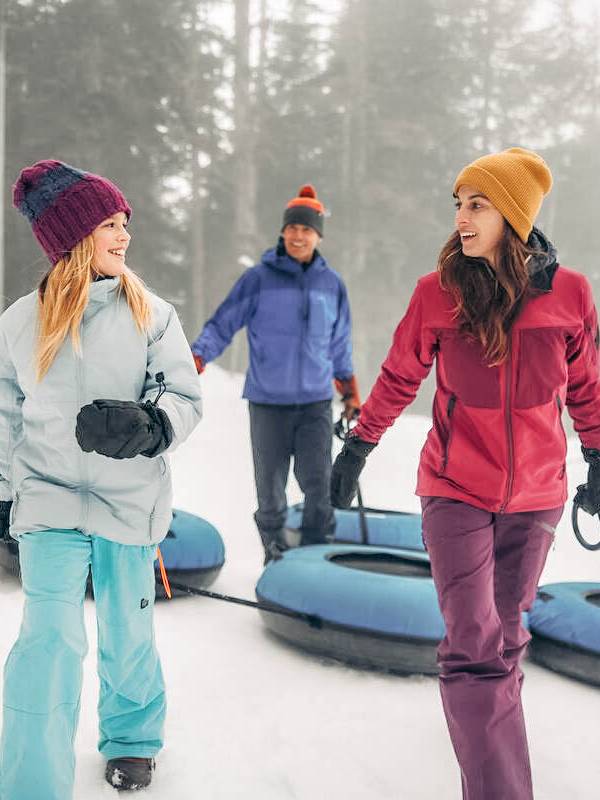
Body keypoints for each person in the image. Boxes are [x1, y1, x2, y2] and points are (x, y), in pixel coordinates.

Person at [330, 147, 600, 799]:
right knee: (475, 644)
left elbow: (589, 385)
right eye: (458, 204)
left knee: (505, 634)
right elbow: (400, 374)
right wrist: (360, 445)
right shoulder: (437, 292)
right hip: (454, 489)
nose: (461, 218)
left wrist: (597, 455)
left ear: (513, 215)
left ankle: (484, 738)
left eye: (477, 204)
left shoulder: (570, 294)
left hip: (536, 495)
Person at [0, 159, 202, 799]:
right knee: (48, 641)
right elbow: (4, 414)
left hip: (128, 503)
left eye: (124, 224)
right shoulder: (20, 324)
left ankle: (133, 739)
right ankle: (32, 783)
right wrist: (3, 493)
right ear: (71, 237)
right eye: (109, 225)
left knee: (127, 631)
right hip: (50, 502)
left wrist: (152, 423)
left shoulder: (152, 315)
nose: (123, 236)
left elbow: (183, 396)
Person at [191, 184, 359, 564]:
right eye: (293, 228)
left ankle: (316, 555)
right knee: (269, 490)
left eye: (307, 229)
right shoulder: (258, 279)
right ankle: (275, 552)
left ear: (318, 235)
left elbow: (340, 342)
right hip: (268, 402)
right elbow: (223, 323)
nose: (299, 235)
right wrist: (197, 357)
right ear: (283, 232)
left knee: (319, 486)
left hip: (315, 403)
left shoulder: (331, 285)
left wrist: (349, 390)